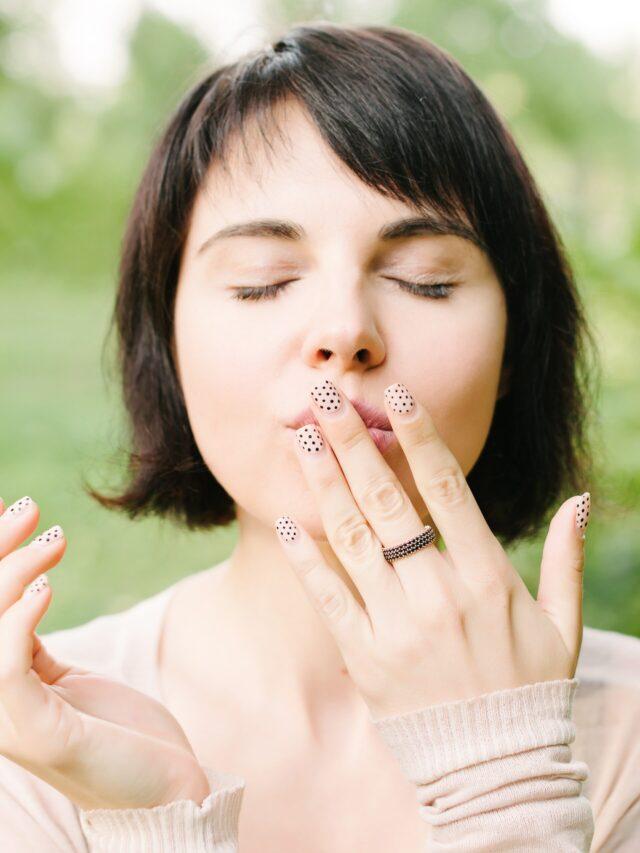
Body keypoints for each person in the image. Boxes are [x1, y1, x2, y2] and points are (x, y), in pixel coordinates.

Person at [0, 21, 638, 852]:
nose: (345, 330)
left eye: (424, 281)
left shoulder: (626, 732)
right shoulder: (39, 738)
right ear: (169, 338)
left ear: (516, 346)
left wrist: (509, 773)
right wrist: (153, 815)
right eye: (262, 283)